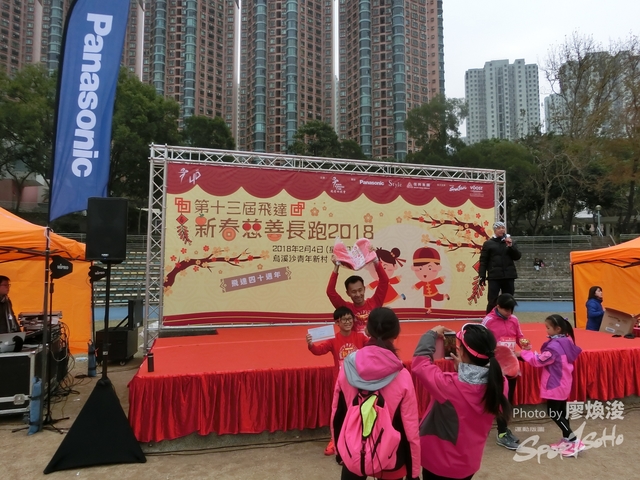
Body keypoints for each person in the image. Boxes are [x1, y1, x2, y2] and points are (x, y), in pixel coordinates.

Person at [412, 323, 510, 480]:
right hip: (468, 464)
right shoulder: (500, 383)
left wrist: (431, 333)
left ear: (462, 352)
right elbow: (475, 387)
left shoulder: (448, 385)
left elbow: (419, 364)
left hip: (438, 462)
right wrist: (463, 369)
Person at [331, 307, 421, 480]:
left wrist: (339, 451)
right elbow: (410, 428)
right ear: (396, 333)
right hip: (391, 455)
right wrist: (413, 471)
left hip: (352, 450)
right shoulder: (402, 375)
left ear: (367, 330)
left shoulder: (347, 369)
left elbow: (338, 414)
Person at [518, 315, 584, 457]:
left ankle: (574, 439)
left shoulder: (554, 347)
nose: (546, 330)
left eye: (548, 328)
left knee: (554, 413)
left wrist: (524, 352)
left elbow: (538, 361)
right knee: (562, 413)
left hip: (555, 385)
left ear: (558, 329)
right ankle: (567, 439)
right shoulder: (566, 341)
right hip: (564, 383)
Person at [306, 307, 368, 456]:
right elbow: (319, 350)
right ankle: (335, 440)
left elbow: (373, 347)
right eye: (343, 319)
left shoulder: (361, 338)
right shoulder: (333, 339)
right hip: (340, 384)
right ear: (337, 323)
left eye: (349, 319)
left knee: (359, 412)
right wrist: (310, 345)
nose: (347, 322)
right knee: (339, 414)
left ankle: (360, 439)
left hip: (358, 383)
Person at [481, 293, 530, 450]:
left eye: (511, 310)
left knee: (508, 400)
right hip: (497, 367)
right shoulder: (488, 321)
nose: (509, 313)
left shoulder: (514, 319)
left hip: (512, 365)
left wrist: (525, 345)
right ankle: (502, 433)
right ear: (498, 306)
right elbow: (482, 341)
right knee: (501, 400)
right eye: (506, 309)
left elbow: (520, 337)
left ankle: (504, 429)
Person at [327, 254, 389, 333]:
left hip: (373, 341)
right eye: (354, 291)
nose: (358, 294)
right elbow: (330, 292)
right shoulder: (346, 309)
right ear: (348, 293)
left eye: (360, 290)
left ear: (364, 289)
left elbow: (384, 281)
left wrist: (375, 261)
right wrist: (336, 266)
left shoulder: (375, 302)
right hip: (355, 341)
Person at [478, 221, 521, 313]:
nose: (501, 230)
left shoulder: (511, 242)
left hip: (509, 276)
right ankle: (490, 318)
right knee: (492, 300)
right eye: (499, 228)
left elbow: (517, 257)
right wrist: (482, 275)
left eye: (503, 228)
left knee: (509, 300)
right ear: (494, 230)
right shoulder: (488, 244)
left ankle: (508, 318)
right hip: (494, 277)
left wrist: (511, 246)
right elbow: (483, 261)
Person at [411, 247, 450, 313]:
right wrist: (414, 286)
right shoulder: (423, 282)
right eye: (420, 269)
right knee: (427, 302)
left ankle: (445, 296)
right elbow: (420, 284)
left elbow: (437, 281)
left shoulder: (432, 281)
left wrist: (442, 278)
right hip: (426, 293)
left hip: (434, 292)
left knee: (438, 297)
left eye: (430, 269)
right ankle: (429, 310)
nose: (425, 272)